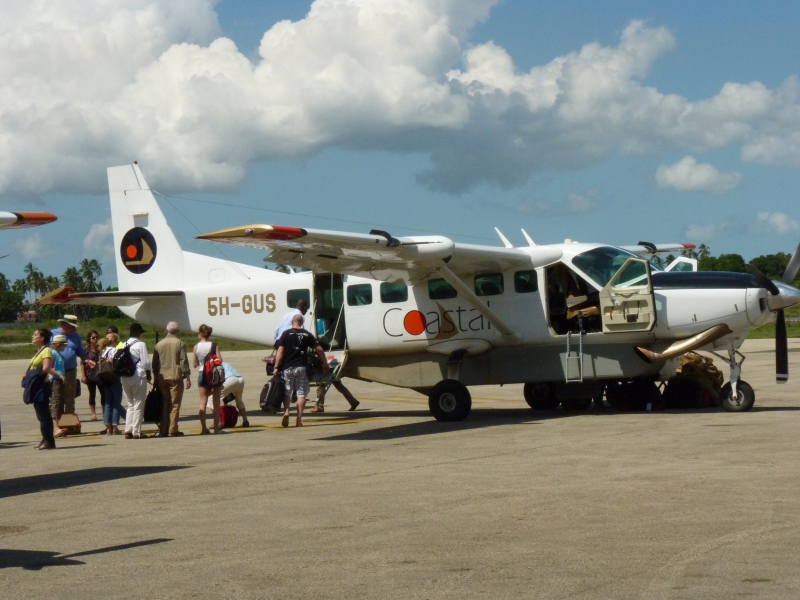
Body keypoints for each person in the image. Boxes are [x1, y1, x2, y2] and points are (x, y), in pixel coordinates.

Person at [273, 313, 330, 427]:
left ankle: (287, 412)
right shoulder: (307, 334)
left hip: (288, 367)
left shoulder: (286, 334)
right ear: (302, 323)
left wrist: (276, 367)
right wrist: (324, 362)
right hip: (302, 367)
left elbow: (280, 351)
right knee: (301, 393)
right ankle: (298, 420)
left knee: (287, 391)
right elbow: (319, 349)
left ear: (292, 322)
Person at [49, 314, 95, 425]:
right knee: (57, 397)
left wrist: (87, 360)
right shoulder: (52, 334)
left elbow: (81, 352)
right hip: (55, 372)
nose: (75, 329)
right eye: (72, 326)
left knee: (70, 396)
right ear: (65, 324)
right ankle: (57, 422)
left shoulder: (76, 336)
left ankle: (69, 422)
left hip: (70, 371)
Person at [152, 321, 192, 437]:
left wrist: (155, 378)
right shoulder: (180, 343)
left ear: (166, 330)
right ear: (177, 331)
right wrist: (187, 377)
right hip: (175, 376)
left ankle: (163, 430)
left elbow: (155, 364)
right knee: (175, 404)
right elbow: (183, 361)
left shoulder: (159, 345)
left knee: (165, 403)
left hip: (162, 377)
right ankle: (173, 429)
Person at [27, 328, 64, 449]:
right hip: (36, 385)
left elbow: (46, 368)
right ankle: (45, 438)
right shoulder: (40, 350)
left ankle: (49, 440)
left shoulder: (47, 350)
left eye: (35, 334)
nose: (33, 336)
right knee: (40, 413)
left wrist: (33, 376)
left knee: (44, 413)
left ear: (42, 338)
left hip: (41, 385)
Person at [121, 323, 151, 439]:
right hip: (138, 375)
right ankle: (136, 432)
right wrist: (149, 373)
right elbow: (145, 363)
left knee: (130, 404)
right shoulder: (141, 344)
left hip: (125, 376)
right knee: (139, 404)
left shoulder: (123, 343)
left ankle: (128, 430)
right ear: (139, 333)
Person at [193, 324, 223, 434]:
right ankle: (216, 428)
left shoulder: (196, 347)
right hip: (214, 373)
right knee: (216, 402)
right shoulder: (215, 345)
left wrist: (202, 362)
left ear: (201, 334)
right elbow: (220, 360)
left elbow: (194, 364)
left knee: (203, 402)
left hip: (203, 373)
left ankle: (204, 428)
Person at [210, 362, 249, 427]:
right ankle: (245, 420)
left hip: (230, 380)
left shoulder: (212, 365)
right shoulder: (224, 363)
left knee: (211, 399)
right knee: (239, 400)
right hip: (240, 379)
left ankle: (218, 422)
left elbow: (217, 380)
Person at [98, 332, 123, 435]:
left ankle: (108, 427)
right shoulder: (114, 351)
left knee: (108, 402)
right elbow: (117, 365)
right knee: (116, 402)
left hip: (105, 378)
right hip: (114, 378)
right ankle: (115, 426)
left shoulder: (103, 352)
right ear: (114, 341)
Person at [49, 334, 69, 437]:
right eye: (64, 344)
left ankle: (57, 426)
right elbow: (48, 368)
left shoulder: (58, 353)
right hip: (55, 380)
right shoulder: (53, 353)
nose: (65, 346)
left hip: (60, 380)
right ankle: (55, 428)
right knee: (55, 402)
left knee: (60, 402)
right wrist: (59, 375)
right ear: (59, 344)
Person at [80, 330, 101, 420]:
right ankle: (93, 413)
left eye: (96, 337)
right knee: (92, 394)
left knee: (103, 393)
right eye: (93, 337)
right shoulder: (85, 350)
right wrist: (83, 376)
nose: (95, 339)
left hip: (99, 374)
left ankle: (104, 412)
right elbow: (82, 363)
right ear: (89, 339)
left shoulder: (99, 349)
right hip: (90, 374)